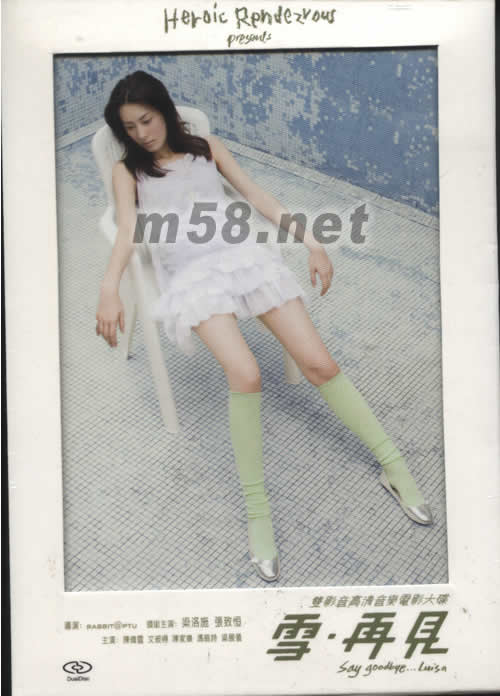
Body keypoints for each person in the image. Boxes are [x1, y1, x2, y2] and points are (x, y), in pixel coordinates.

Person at [96, 70, 432, 583]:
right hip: (193, 278)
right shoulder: (129, 172)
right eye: (130, 127)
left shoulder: (208, 148)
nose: (141, 133)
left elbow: (256, 195)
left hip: (243, 257)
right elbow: (126, 232)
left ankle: (394, 466)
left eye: (147, 119)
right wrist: (109, 288)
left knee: (320, 364)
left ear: (164, 110)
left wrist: (312, 242)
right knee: (246, 374)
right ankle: (258, 512)